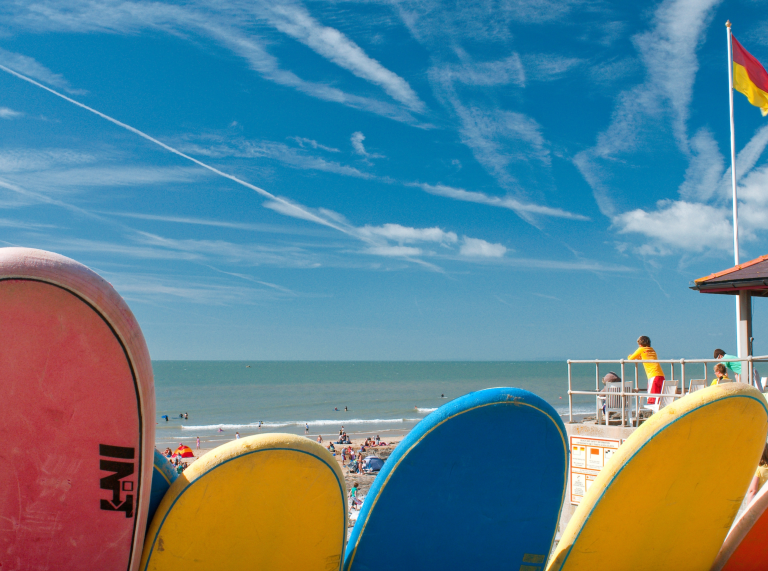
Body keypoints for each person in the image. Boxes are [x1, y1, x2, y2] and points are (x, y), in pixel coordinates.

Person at [628, 336, 665, 405]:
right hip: (661, 375)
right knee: (659, 398)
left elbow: (630, 359)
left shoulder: (641, 349)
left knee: (652, 398)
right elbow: (645, 357)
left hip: (653, 376)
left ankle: (653, 414)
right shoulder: (652, 349)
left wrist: (629, 356)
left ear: (640, 344)